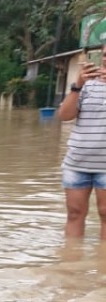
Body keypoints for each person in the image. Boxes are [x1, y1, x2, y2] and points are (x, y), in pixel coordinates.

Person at [56, 46, 106, 240]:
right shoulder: (86, 84)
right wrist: (78, 84)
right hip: (77, 163)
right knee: (75, 214)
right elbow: (64, 116)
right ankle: (71, 265)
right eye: (104, 55)